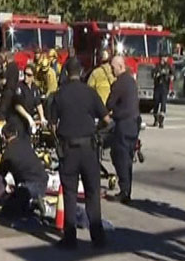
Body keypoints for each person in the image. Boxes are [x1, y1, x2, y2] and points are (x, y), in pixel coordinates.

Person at [50, 59, 112, 248]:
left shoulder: (59, 95)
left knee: (69, 193)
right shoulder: (90, 93)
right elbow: (107, 120)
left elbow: (52, 126)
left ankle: (70, 238)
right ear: (82, 71)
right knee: (92, 192)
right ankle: (97, 237)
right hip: (89, 149)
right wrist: (97, 133)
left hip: (68, 150)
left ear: (67, 73)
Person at [106, 56, 140, 203]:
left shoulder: (119, 83)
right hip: (134, 123)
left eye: (113, 68)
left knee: (119, 156)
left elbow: (109, 103)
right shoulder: (131, 81)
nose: (112, 71)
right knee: (128, 158)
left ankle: (124, 191)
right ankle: (127, 190)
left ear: (120, 66)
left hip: (124, 125)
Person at [0, 123, 48, 217]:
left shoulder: (7, 154)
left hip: (29, 186)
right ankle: (33, 201)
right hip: (43, 181)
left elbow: (1, 176)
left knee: (7, 209)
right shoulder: (26, 144)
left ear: (4, 137)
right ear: (16, 133)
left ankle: (33, 202)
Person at [12, 63, 48, 138]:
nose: (26, 76)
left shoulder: (35, 88)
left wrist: (42, 117)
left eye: (29, 75)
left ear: (33, 77)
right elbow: (17, 105)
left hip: (29, 121)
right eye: (25, 73)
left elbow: (38, 104)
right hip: (19, 119)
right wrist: (29, 118)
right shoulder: (19, 87)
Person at [152, 55, 174, 128]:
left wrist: (171, 77)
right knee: (156, 103)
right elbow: (153, 74)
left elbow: (173, 75)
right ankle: (155, 120)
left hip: (164, 88)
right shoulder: (157, 66)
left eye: (165, 57)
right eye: (163, 57)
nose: (164, 59)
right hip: (157, 87)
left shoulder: (168, 66)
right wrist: (157, 74)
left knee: (163, 105)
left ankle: (161, 122)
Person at [0, 51, 20, 121]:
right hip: (14, 91)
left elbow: (4, 81)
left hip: (7, 91)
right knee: (10, 112)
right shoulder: (16, 67)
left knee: (2, 111)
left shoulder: (9, 67)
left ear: (7, 58)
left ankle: (1, 127)